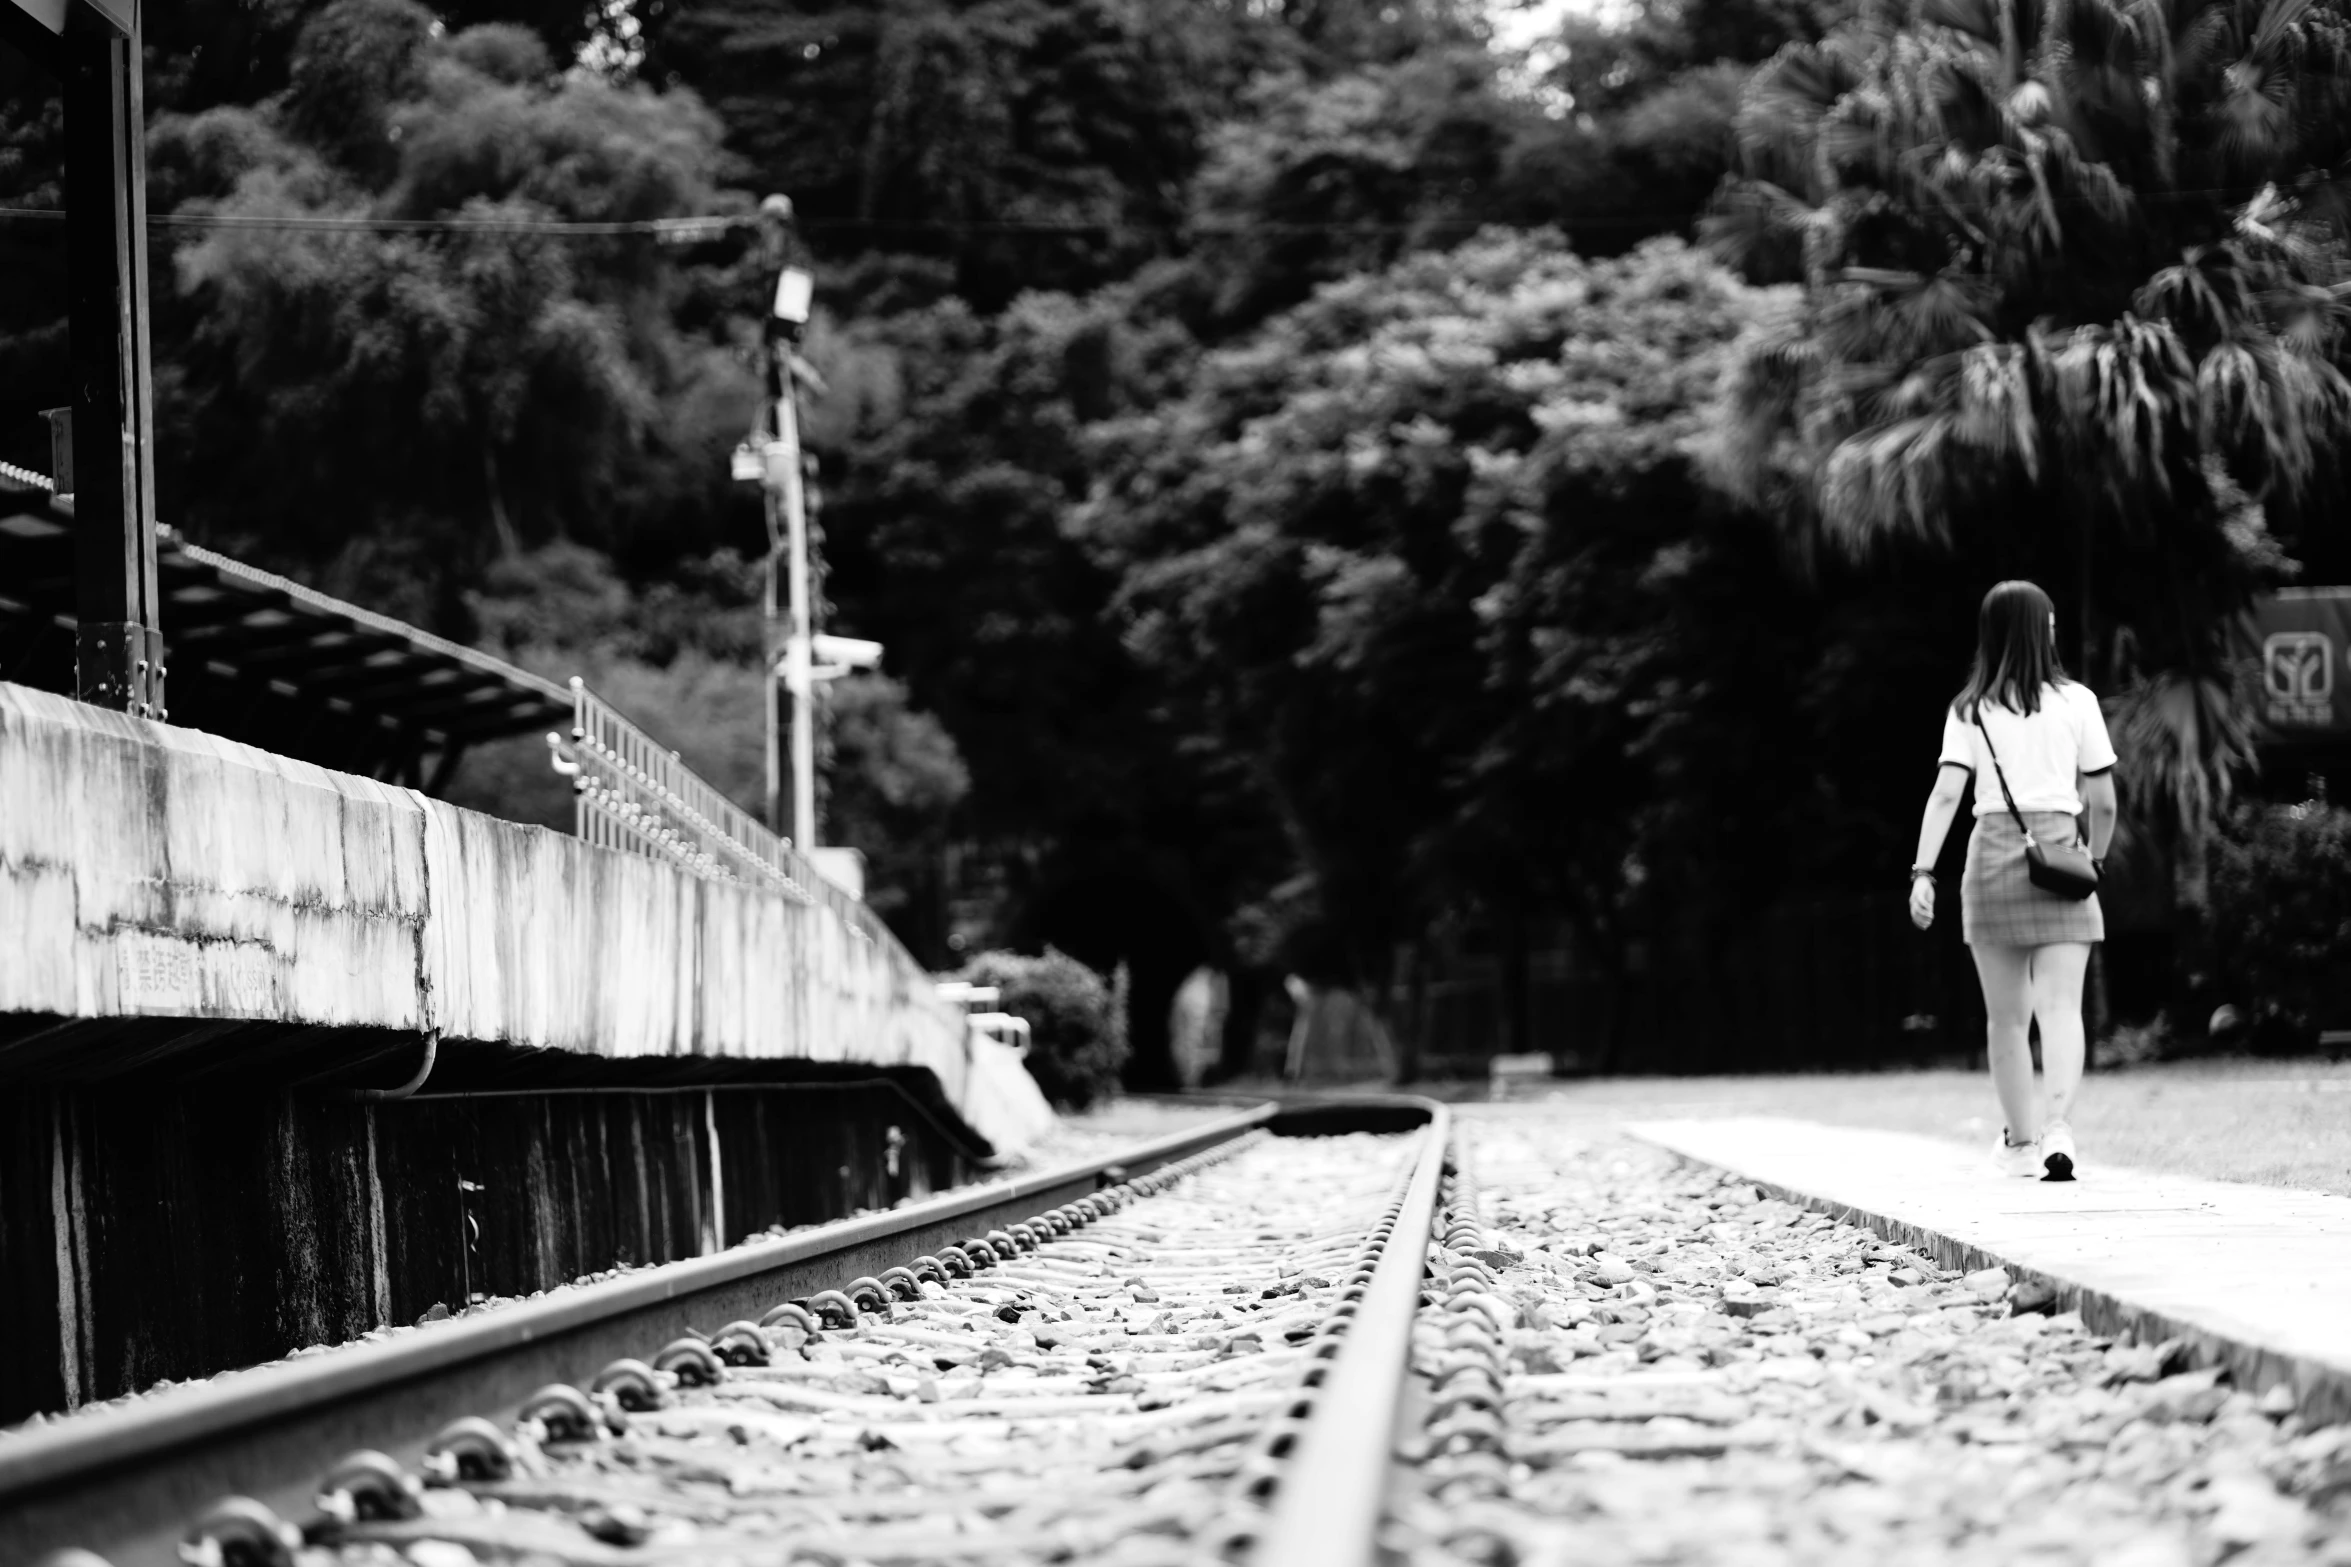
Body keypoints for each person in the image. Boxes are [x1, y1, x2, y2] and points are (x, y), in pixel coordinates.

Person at [1908, 581, 2118, 1180]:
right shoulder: (2078, 702)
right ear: (2043, 629)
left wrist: (1923, 871)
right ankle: (2059, 1128)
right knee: (2060, 1010)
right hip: (2061, 857)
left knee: (2005, 1019)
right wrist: (2092, 861)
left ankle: (2021, 1145)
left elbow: (1948, 791)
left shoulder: (1970, 708)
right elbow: (2102, 801)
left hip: (1994, 858)